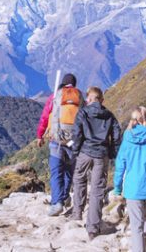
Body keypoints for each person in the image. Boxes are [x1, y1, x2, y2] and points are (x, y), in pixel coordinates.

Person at [70, 86, 122, 240]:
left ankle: (77, 212)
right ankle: (92, 228)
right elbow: (117, 136)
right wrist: (112, 152)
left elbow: (77, 133)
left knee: (79, 179)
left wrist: (75, 151)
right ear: (101, 99)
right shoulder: (109, 115)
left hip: (84, 152)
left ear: (89, 99)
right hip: (101, 155)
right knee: (97, 190)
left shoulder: (83, 112)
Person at [113, 107, 146, 252]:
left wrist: (117, 187)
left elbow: (119, 166)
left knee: (136, 226)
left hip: (132, 189)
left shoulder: (127, 139)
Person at [36, 73, 84, 216]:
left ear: (63, 83)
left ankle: (57, 203)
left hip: (56, 139)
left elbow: (45, 117)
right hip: (73, 141)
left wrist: (40, 135)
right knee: (69, 170)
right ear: (74, 85)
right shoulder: (79, 97)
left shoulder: (55, 96)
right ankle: (64, 197)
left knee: (56, 172)